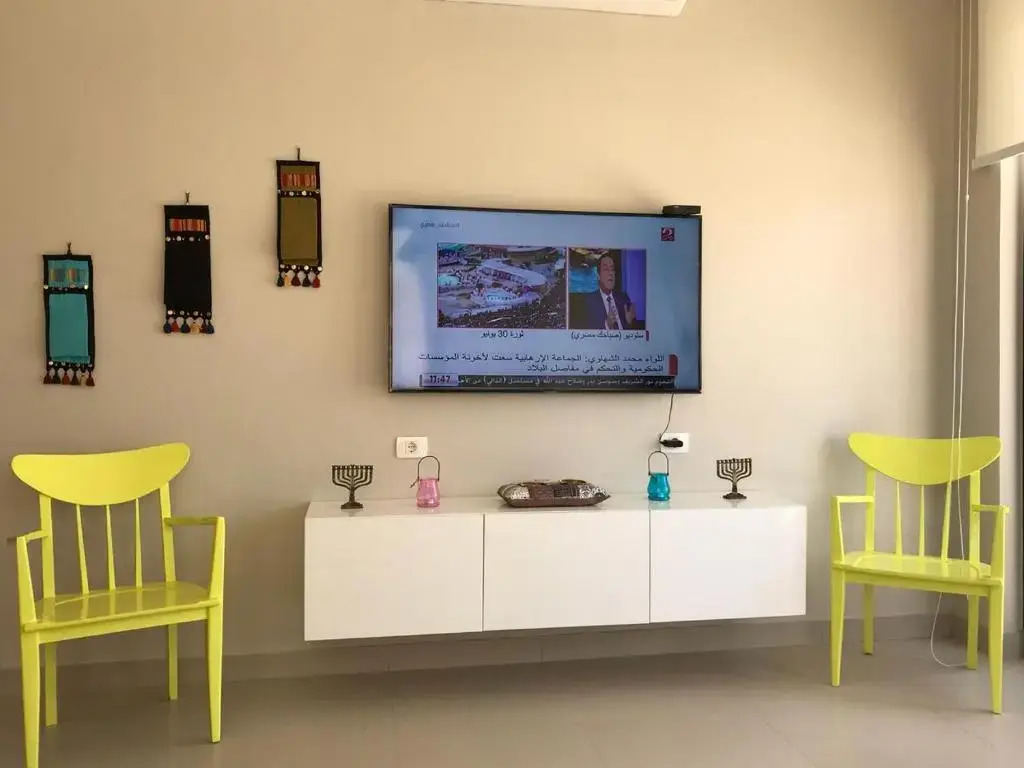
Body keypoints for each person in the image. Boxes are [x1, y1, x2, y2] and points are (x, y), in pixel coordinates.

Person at [576, 254, 637, 330]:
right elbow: (586, 331)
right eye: (606, 269)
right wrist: (606, 325)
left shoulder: (623, 298)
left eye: (612, 269)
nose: (610, 273)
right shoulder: (588, 302)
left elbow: (635, 332)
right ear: (598, 275)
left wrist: (629, 323)